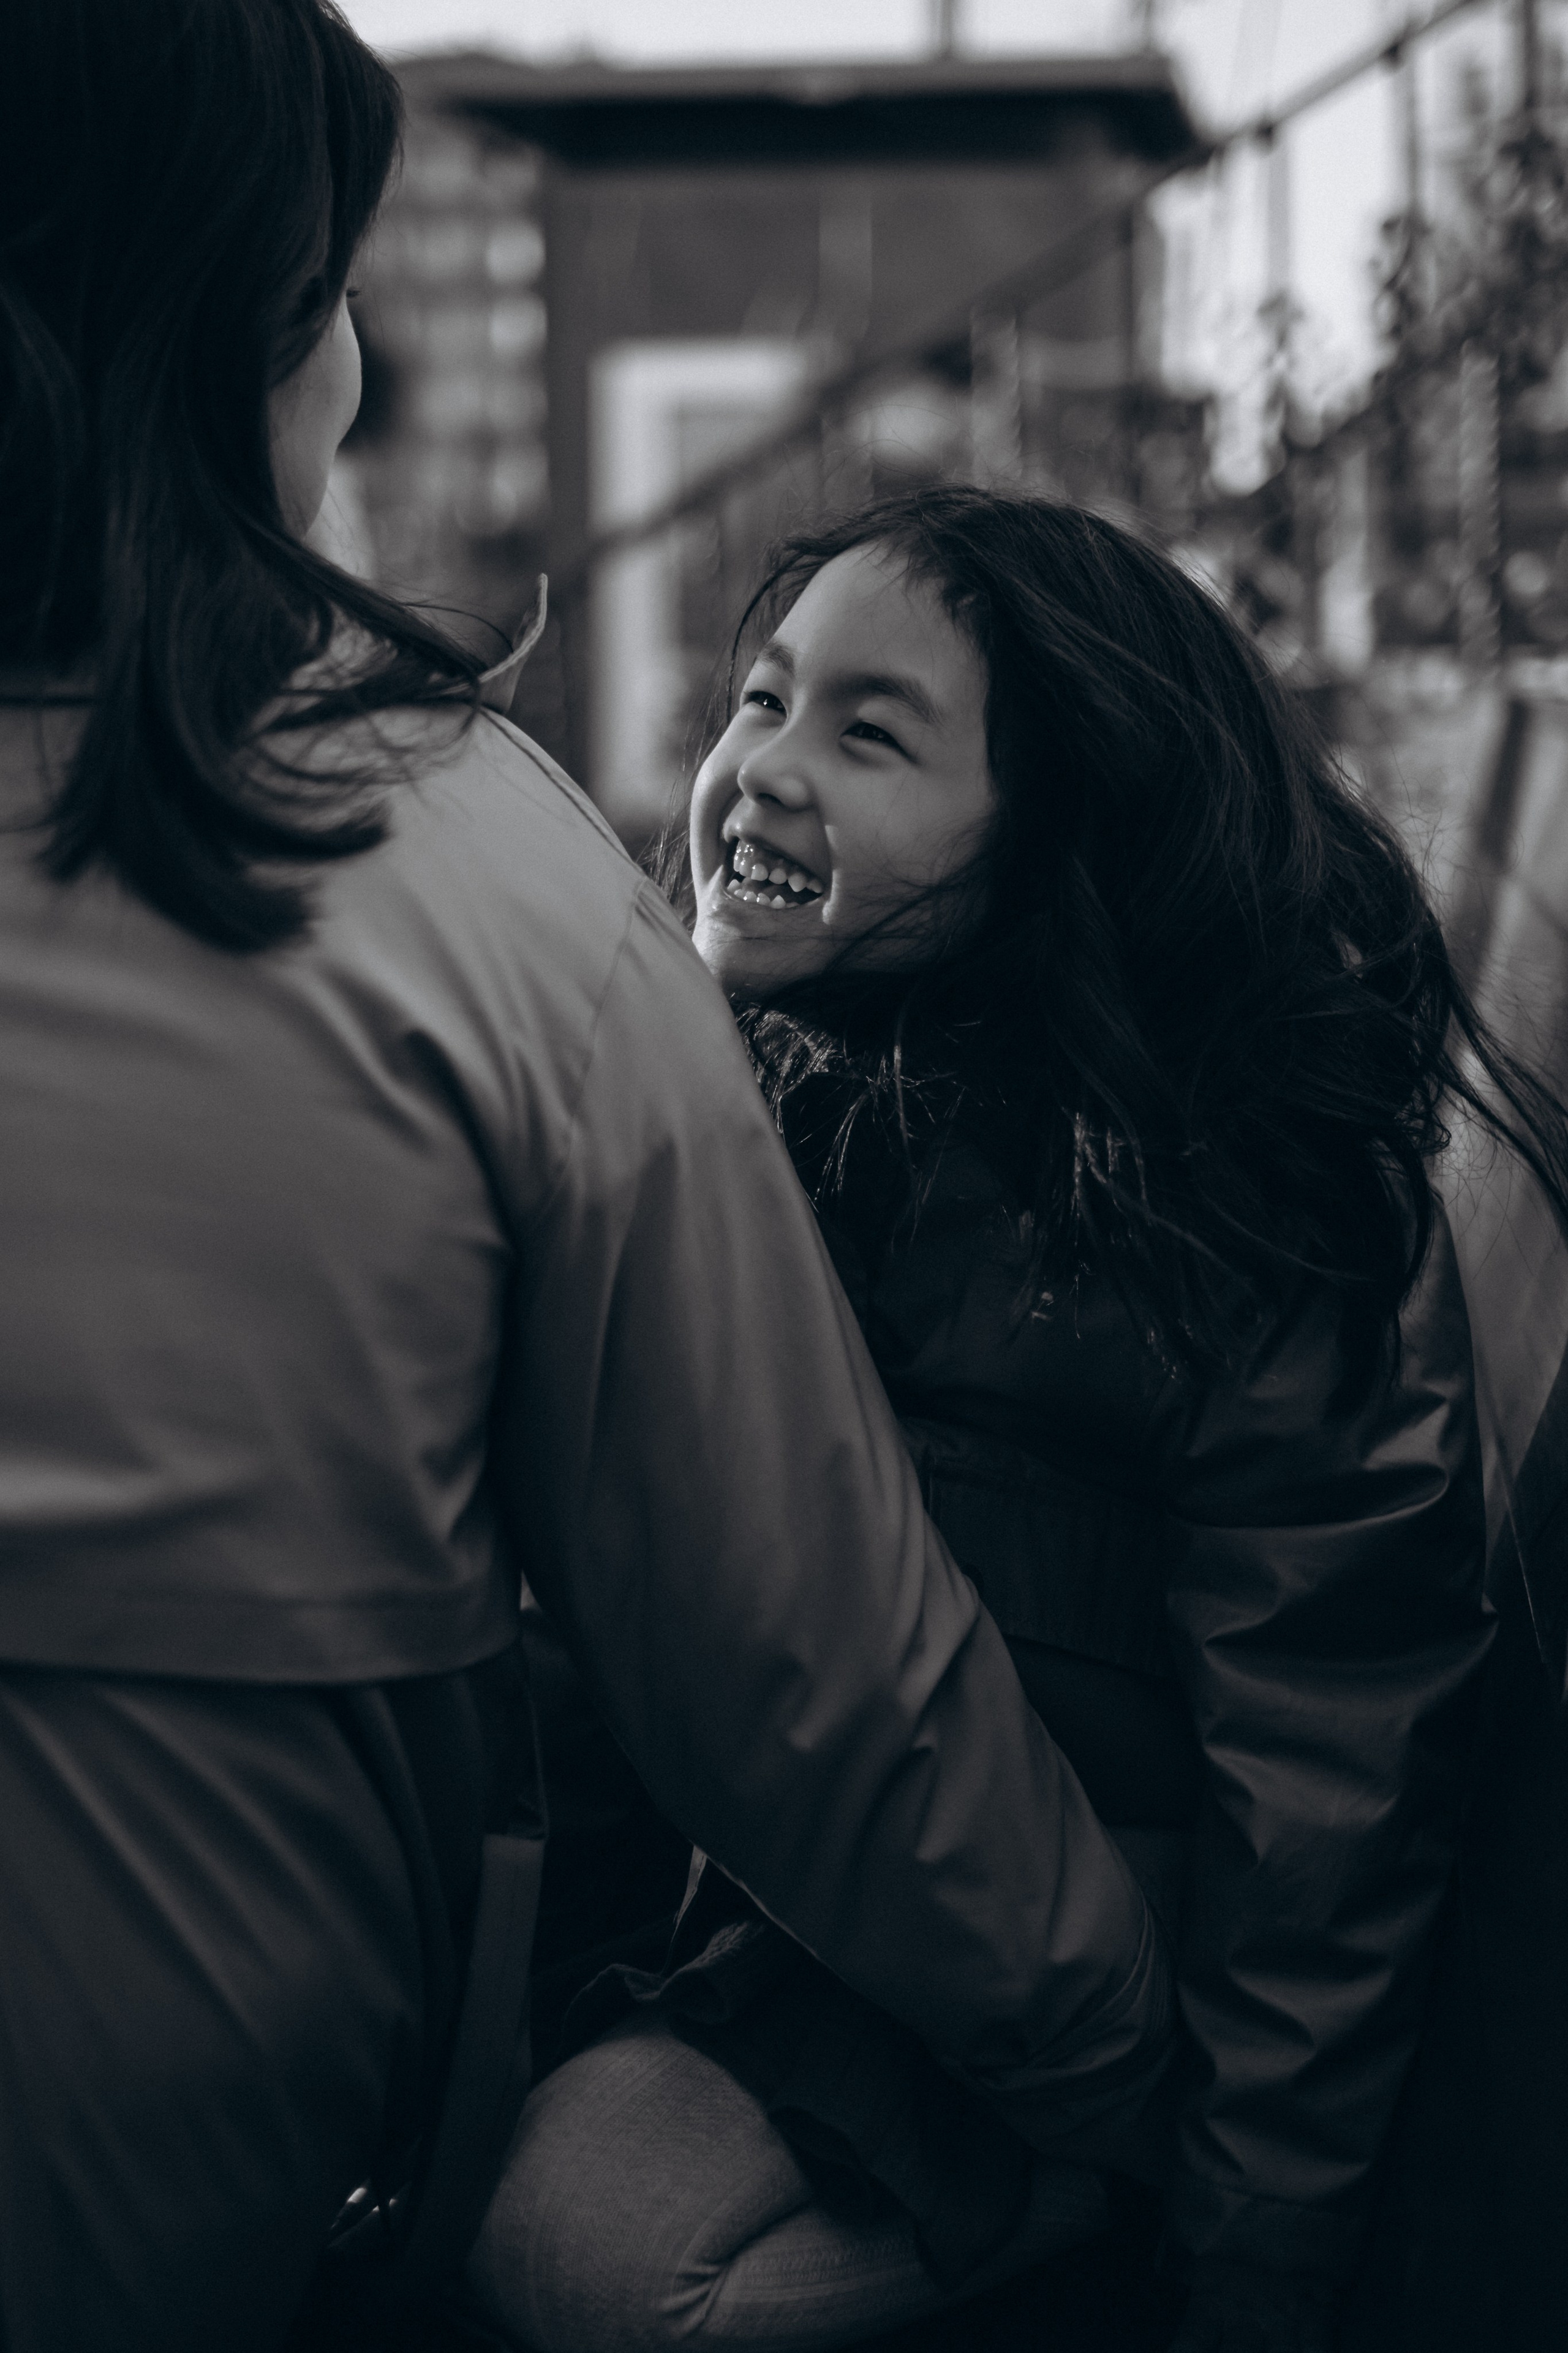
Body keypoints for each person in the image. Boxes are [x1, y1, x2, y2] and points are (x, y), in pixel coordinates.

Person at [0, 16, 1176, 2352]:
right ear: (254, 342)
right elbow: (812, 1670)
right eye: (337, 290)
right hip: (194, 2164)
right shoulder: (478, 888)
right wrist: (1126, 2057)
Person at [470, 491, 1568, 2352]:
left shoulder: (1241, 1220)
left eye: (871, 733)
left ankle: (1087, 2231)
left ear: (1060, 828)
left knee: (591, 2249)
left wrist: (1251, 2253)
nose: (764, 767)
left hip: (1080, 2018)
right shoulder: (759, 1110)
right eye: (763, 699)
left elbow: (1331, 1786)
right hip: (812, 1919)